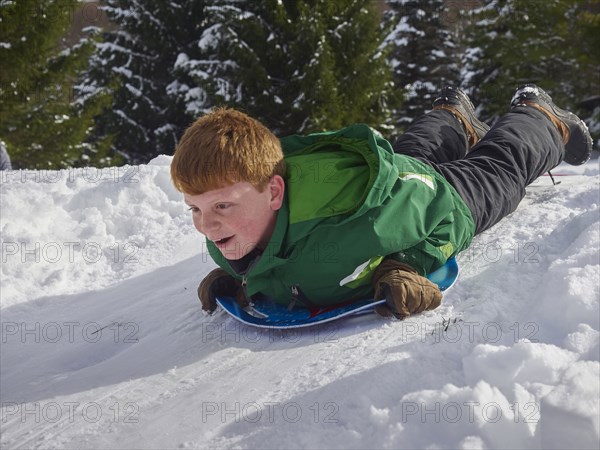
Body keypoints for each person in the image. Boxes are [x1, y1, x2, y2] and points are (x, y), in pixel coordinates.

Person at [170, 84, 592, 319]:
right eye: (195, 209)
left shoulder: (354, 227)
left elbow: (432, 211)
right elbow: (279, 254)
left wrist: (404, 263)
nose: (206, 227)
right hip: (383, 181)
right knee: (410, 150)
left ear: (274, 193)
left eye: (222, 207)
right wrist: (247, 278)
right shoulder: (236, 229)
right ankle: (453, 115)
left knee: (499, 168)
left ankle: (539, 116)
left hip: (433, 198)